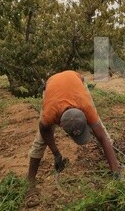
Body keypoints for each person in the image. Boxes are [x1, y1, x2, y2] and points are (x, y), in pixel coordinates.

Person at [26, 70, 119, 205]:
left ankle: (114, 165)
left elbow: (102, 137)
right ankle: (29, 183)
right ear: (61, 125)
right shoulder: (49, 115)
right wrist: (56, 154)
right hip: (52, 90)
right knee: (40, 142)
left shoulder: (86, 107)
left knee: (102, 132)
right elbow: (45, 132)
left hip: (76, 84)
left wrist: (116, 176)